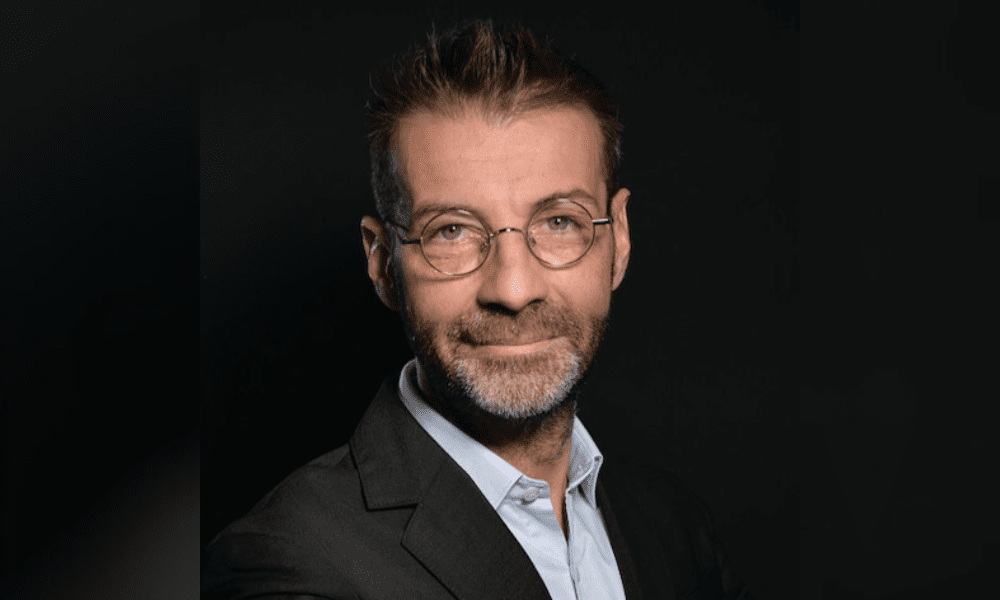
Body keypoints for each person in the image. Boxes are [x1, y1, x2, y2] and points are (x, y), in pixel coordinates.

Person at [202, 18, 753, 600]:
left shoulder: (673, 527)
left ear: (618, 239)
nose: (513, 289)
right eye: (452, 231)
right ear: (383, 264)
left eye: (559, 222)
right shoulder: (287, 562)